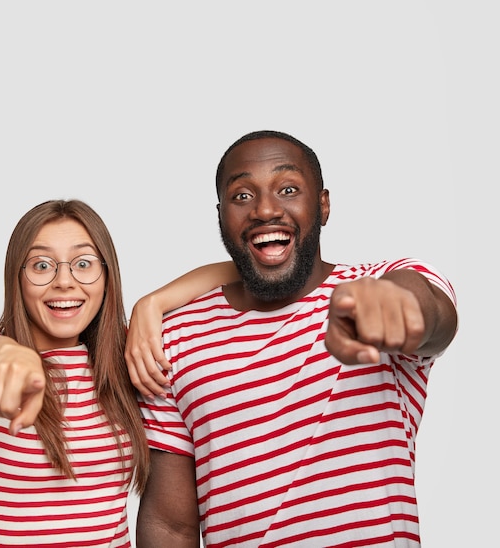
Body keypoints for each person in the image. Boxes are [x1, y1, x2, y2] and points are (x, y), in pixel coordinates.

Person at [127, 130, 458, 547]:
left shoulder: (375, 284)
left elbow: (433, 315)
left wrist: (399, 309)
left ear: (323, 205)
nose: (265, 209)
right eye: (242, 196)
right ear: (220, 216)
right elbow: (169, 525)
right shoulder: (173, 336)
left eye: (288, 189)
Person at [0, 199, 237, 548]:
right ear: (17, 277)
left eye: (83, 264)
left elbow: (239, 270)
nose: (64, 282)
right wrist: (10, 356)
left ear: (106, 276)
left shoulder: (120, 363)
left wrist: (152, 303)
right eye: (42, 265)